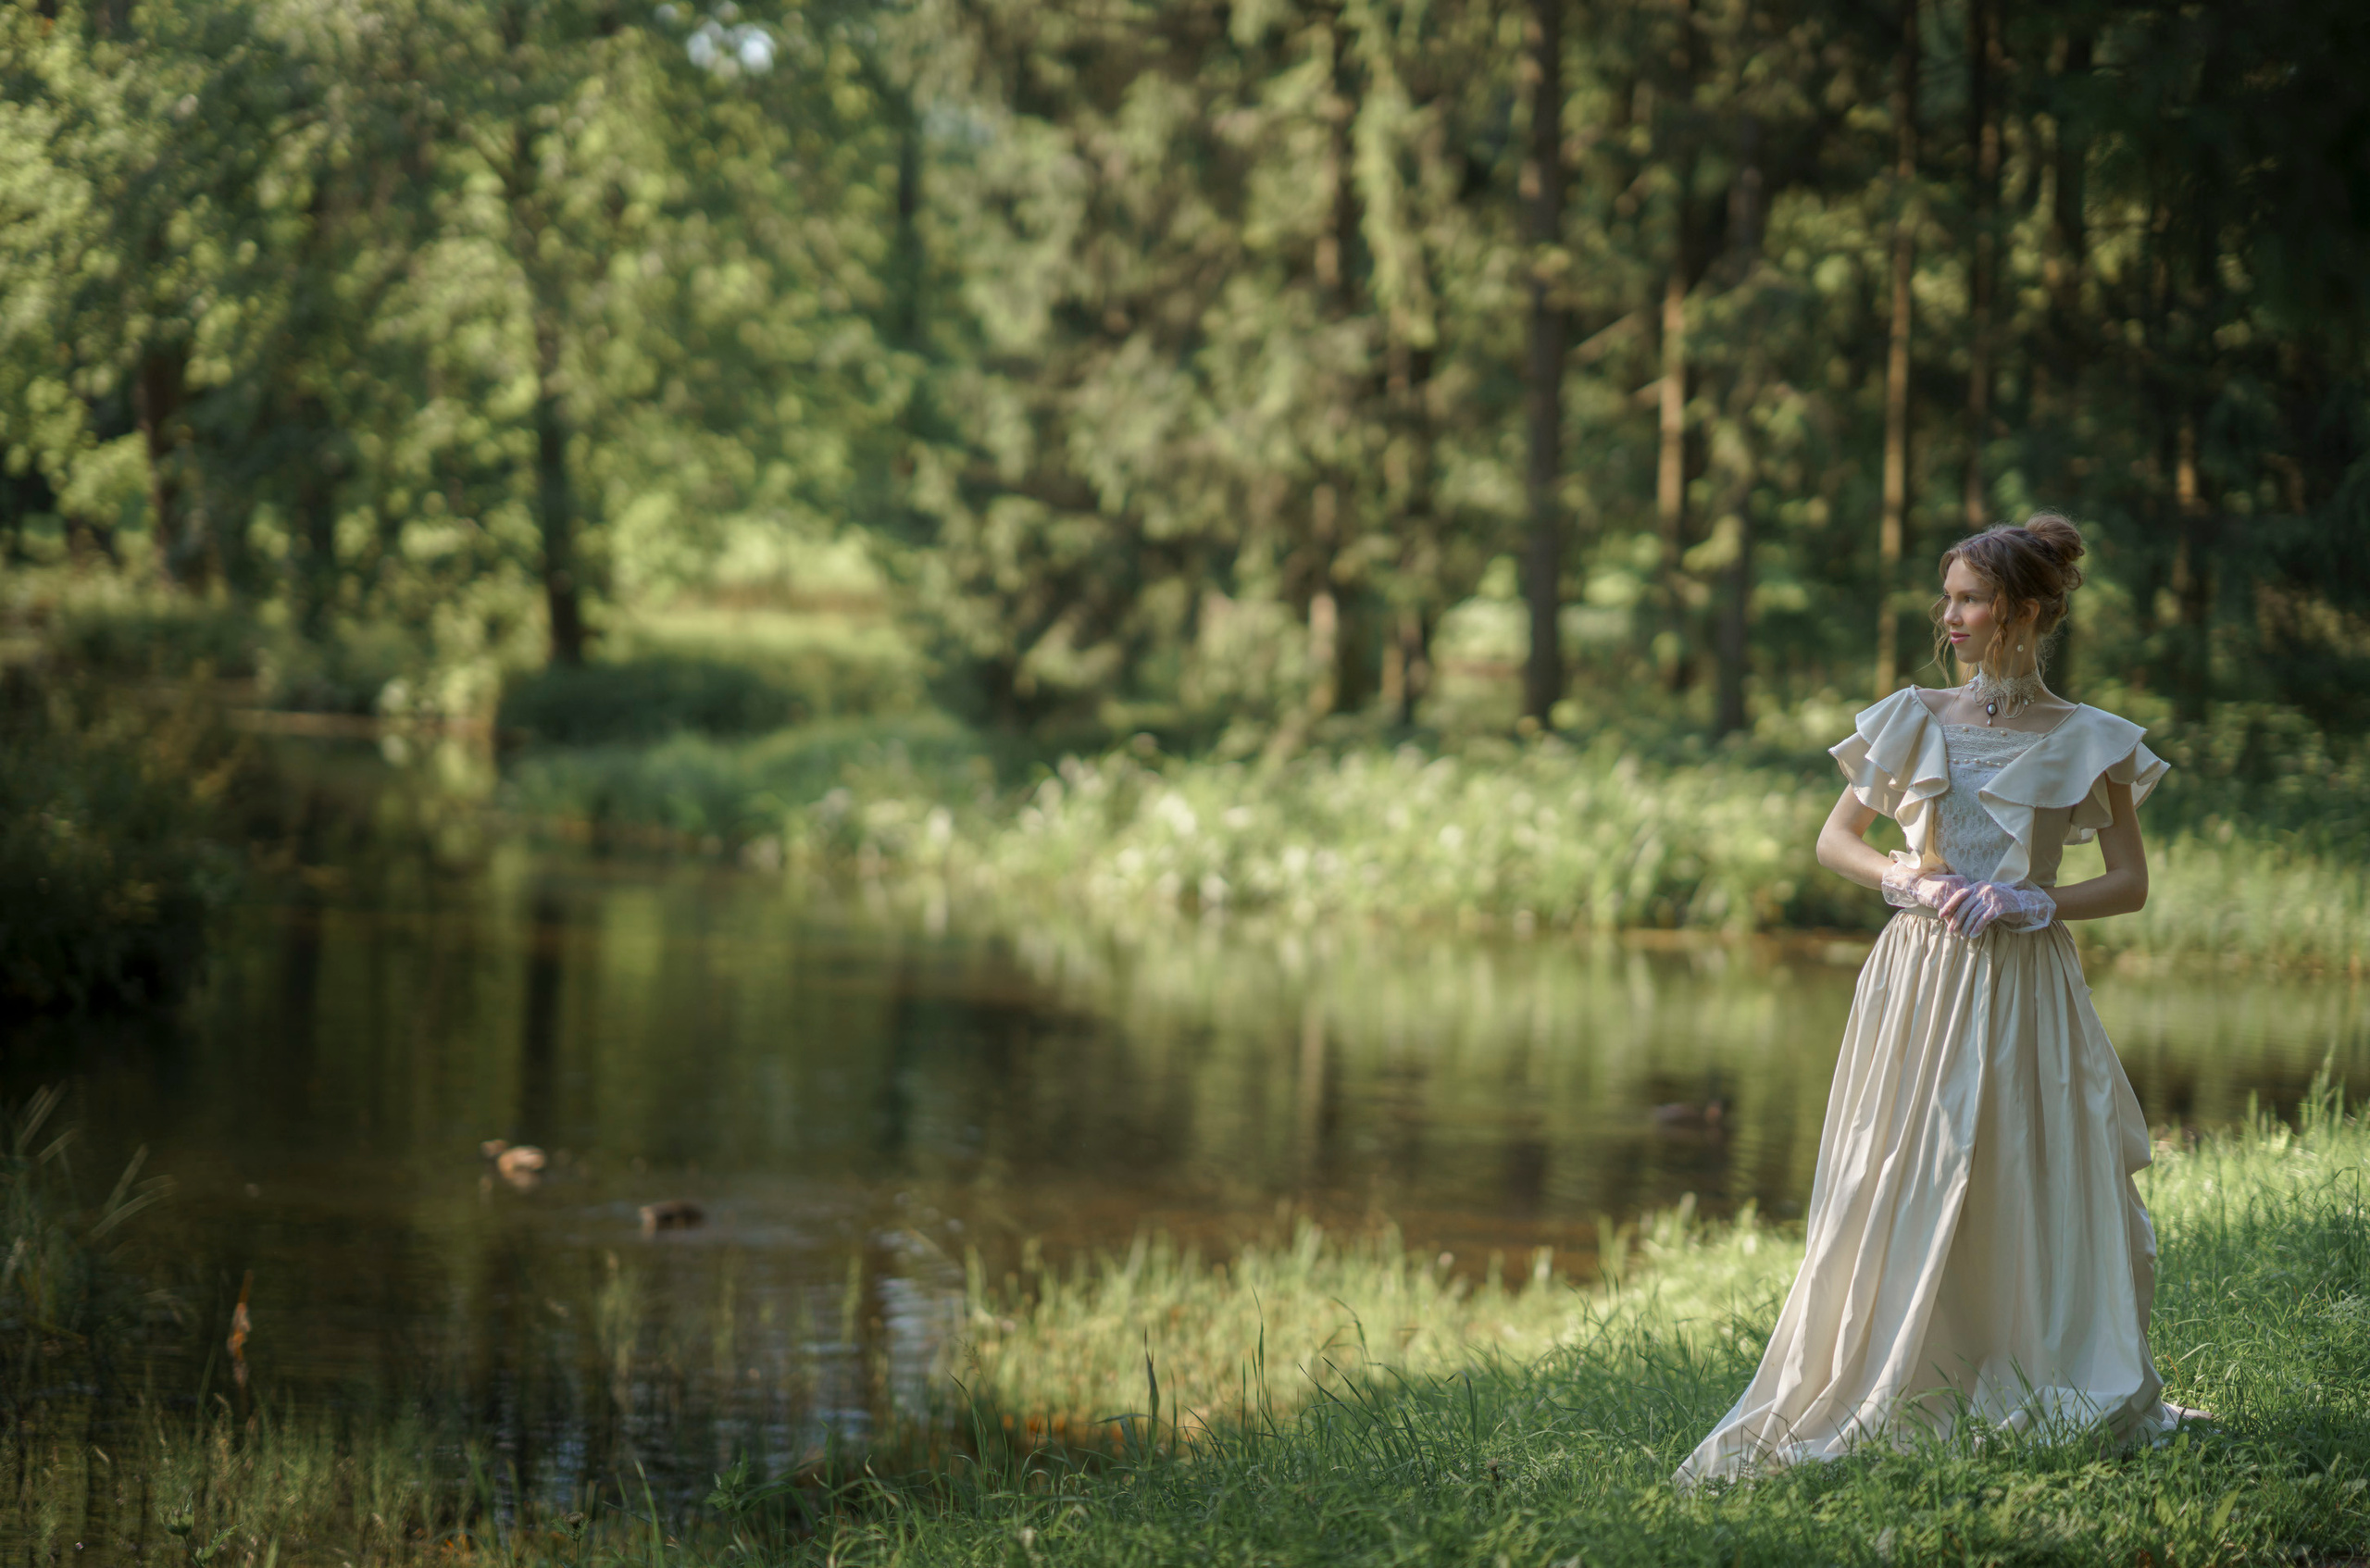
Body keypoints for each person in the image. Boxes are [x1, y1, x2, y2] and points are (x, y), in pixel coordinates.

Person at [1676, 513, 2202, 1486]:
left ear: (2024, 611)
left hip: (2025, 981)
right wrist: (1904, 879)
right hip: (1918, 977)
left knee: (2019, 1167)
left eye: (1970, 600)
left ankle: (2031, 1357)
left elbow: (2130, 883)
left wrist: (2035, 899)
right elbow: (1834, 841)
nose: (1949, 616)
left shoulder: (2089, 737)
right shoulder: (1912, 715)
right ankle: (1894, 1367)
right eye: (1948, 597)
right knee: (1903, 1168)